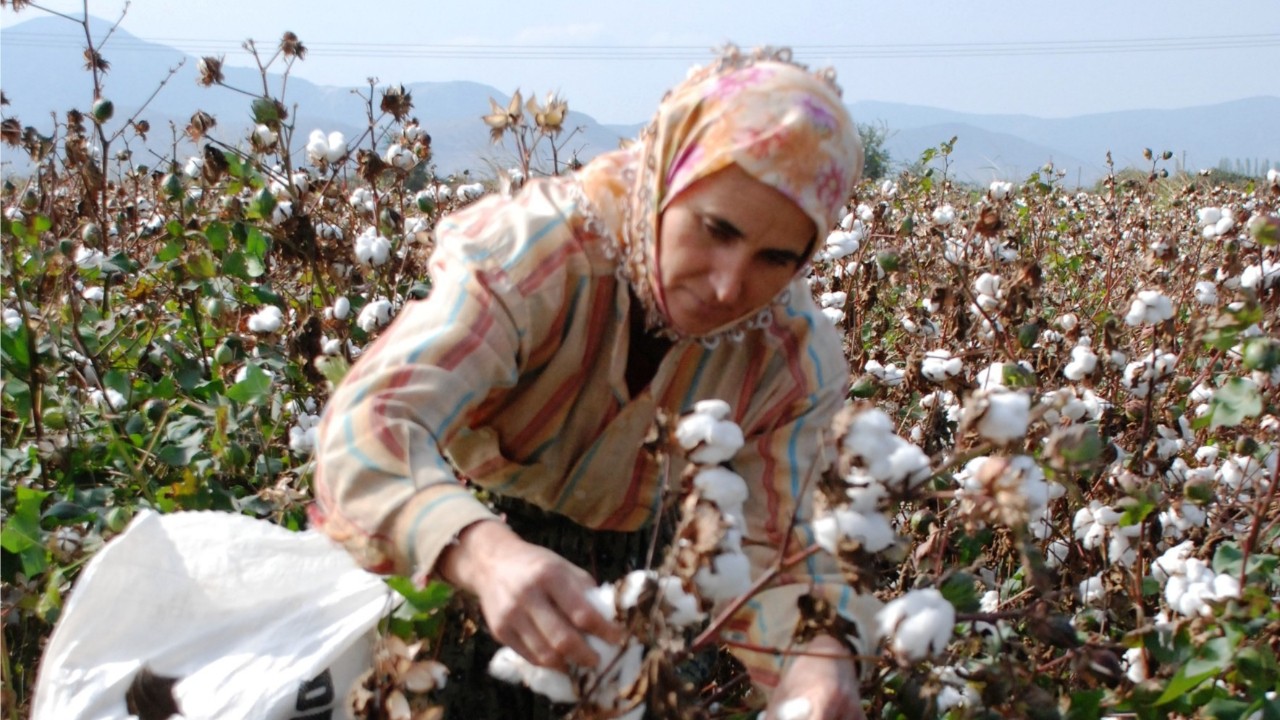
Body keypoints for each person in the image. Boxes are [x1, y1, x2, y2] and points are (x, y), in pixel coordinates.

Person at [312, 45, 866, 719]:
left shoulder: (791, 357)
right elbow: (369, 424)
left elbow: (777, 543)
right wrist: (481, 553)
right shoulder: (537, 253)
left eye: (775, 258)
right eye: (716, 229)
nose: (728, 286)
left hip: (647, 568)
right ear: (668, 180)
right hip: (456, 540)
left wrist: (814, 657)